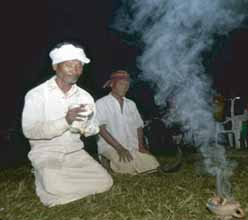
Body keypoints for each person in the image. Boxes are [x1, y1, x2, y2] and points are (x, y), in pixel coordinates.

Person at [22, 42, 113, 207]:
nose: (75, 70)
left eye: (79, 66)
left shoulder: (85, 97)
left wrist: (87, 126)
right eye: (69, 65)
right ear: (55, 66)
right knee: (56, 184)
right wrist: (66, 120)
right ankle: (46, 179)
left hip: (75, 153)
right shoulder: (36, 95)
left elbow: (93, 129)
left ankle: (55, 192)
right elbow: (30, 131)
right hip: (46, 153)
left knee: (106, 182)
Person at [94, 70, 160, 174]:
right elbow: (101, 129)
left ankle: (126, 164)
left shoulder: (131, 104)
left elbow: (139, 127)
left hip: (132, 148)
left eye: (127, 84)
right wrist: (119, 148)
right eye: (121, 84)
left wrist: (141, 147)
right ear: (112, 84)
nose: (124, 87)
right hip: (112, 147)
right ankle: (106, 160)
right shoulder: (101, 103)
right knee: (127, 167)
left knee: (153, 164)